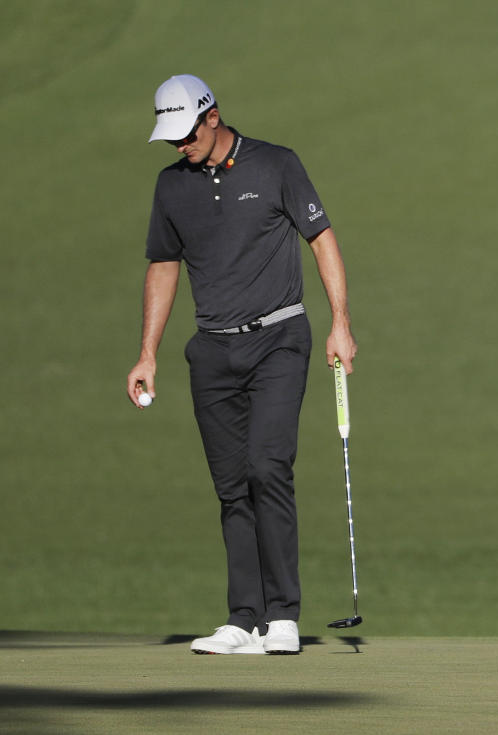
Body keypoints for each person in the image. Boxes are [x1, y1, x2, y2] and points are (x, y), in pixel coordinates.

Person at [126, 74, 357, 655]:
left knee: (266, 466)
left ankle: (282, 618)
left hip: (279, 338)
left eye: (185, 133)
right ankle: (242, 618)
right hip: (211, 350)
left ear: (212, 116)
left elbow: (321, 238)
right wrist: (148, 352)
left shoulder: (276, 164)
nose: (179, 145)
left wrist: (341, 323)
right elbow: (162, 266)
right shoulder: (171, 186)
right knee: (231, 486)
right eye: (170, 137)